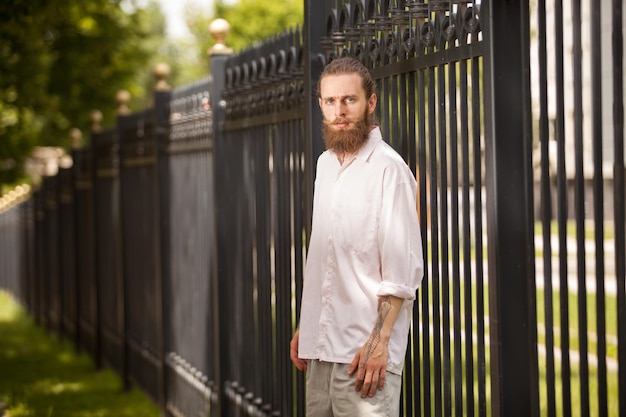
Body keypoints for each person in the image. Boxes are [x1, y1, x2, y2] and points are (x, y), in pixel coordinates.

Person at [290, 56, 424, 416]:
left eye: (349, 100)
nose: (340, 111)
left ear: (371, 102)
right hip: (319, 353)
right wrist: (308, 323)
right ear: (320, 104)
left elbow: (402, 272)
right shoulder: (325, 165)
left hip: (363, 359)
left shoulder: (388, 169)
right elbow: (324, 256)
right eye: (330, 101)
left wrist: (378, 343)